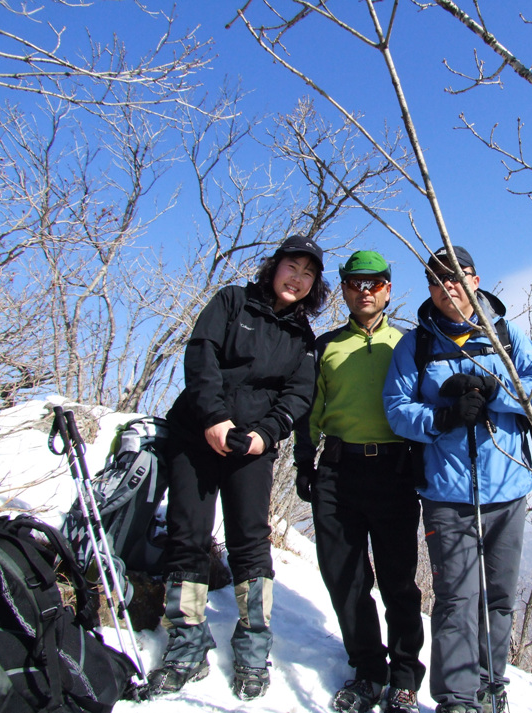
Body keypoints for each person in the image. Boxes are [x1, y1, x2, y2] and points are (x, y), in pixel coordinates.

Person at [146, 234, 329, 701]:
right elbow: (200, 356)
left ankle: (253, 644)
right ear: (275, 267)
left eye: (309, 274)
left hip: (252, 447)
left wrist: (265, 434)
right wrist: (212, 418)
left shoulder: (302, 337)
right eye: (293, 267)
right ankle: (186, 643)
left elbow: (298, 396)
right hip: (197, 435)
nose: (299, 279)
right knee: (188, 535)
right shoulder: (231, 301)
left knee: (250, 542)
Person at [382, 246, 532, 713]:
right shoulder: (415, 345)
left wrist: (499, 394)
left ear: (475, 280)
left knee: (497, 598)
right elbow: (397, 411)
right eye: (437, 281)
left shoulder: (505, 334)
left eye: (456, 277)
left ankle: (491, 684)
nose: (447, 287)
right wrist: (444, 417)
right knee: (456, 599)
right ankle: (457, 699)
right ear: (431, 291)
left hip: (507, 490)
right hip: (446, 494)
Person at [294, 251, 426, 713]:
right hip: (337, 470)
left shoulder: (409, 344)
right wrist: (304, 461)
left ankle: (406, 677)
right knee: (345, 577)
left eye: (373, 283)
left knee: (398, 581)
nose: (364, 291)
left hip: (395, 472)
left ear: (388, 288)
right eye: (354, 283)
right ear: (344, 289)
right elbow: (310, 409)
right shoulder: (326, 345)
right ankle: (369, 670)